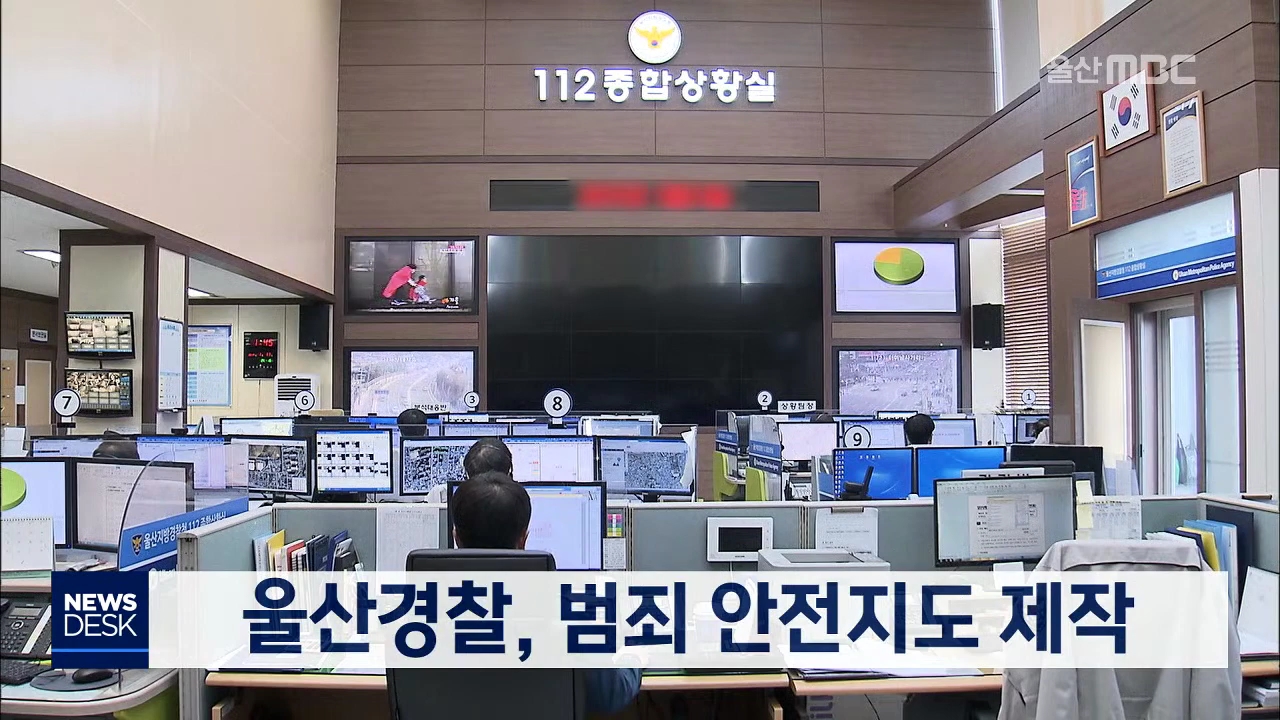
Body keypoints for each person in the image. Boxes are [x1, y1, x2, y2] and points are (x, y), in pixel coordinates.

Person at [450, 472, 642, 715]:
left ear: (456, 537)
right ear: (523, 540)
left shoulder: (420, 614)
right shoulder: (568, 617)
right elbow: (611, 695)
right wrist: (633, 655)